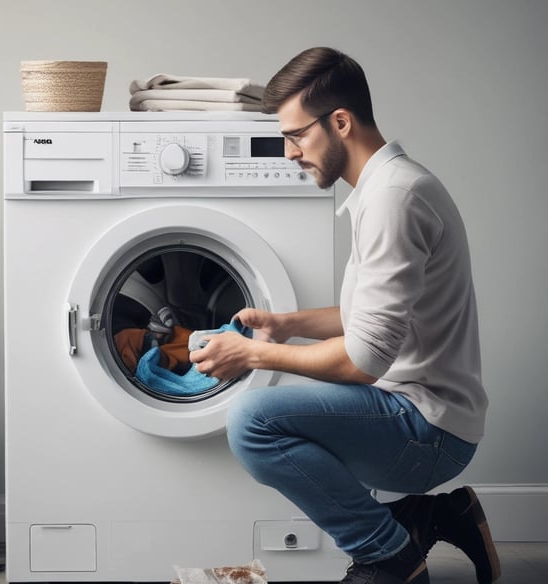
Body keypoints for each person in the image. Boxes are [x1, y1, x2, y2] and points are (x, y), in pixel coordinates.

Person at [189, 47, 499, 584]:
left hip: (429, 427)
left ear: (340, 122)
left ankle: (390, 555)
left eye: (296, 135)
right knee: (263, 413)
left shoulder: (395, 199)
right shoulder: (387, 189)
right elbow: (368, 317)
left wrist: (252, 354)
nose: (289, 153)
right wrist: (283, 325)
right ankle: (430, 518)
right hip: (422, 414)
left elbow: (363, 360)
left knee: (251, 421)